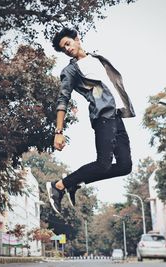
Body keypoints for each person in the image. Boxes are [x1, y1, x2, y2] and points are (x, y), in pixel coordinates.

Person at [46, 27, 135, 214]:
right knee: (103, 163)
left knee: (125, 166)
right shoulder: (70, 71)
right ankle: (59, 185)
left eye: (68, 43)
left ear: (77, 39)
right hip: (103, 117)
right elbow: (62, 100)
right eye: (64, 49)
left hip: (116, 116)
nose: (67, 49)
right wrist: (58, 132)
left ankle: (72, 183)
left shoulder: (97, 59)